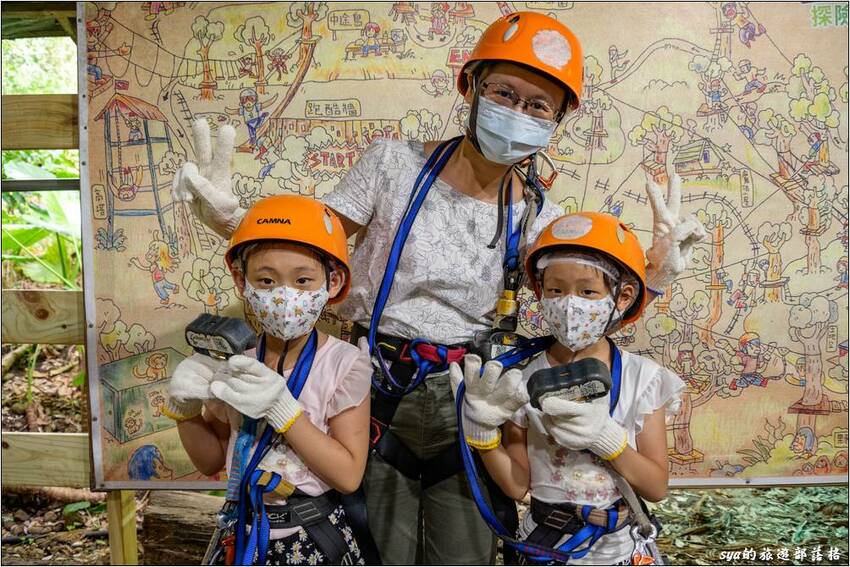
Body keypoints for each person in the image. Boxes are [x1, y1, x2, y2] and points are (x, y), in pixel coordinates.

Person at [173, 12, 705, 565]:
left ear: (557, 121)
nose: (517, 113)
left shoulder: (539, 214)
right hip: (374, 388)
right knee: (380, 546)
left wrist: (655, 273)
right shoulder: (394, 165)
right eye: (504, 92)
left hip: (471, 397)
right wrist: (235, 223)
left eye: (538, 105)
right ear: (469, 87)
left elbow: (583, 301)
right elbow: (309, 249)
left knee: (465, 552)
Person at [452, 212, 684, 564]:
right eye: (555, 290)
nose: (569, 303)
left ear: (622, 297)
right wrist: (483, 435)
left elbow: (656, 487)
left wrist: (608, 439)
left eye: (587, 291)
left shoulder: (643, 379)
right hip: (544, 546)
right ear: (541, 293)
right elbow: (517, 486)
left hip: (616, 552)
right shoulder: (521, 379)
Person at [162, 195, 372, 565]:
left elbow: (349, 476)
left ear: (333, 282)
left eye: (303, 280)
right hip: (242, 532)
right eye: (266, 280)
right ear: (243, 282)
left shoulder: (345, 364)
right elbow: (211, 460)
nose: (283, 295)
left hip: (310, 537)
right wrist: (185, 410)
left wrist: (283, 410)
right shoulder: (238, 362)